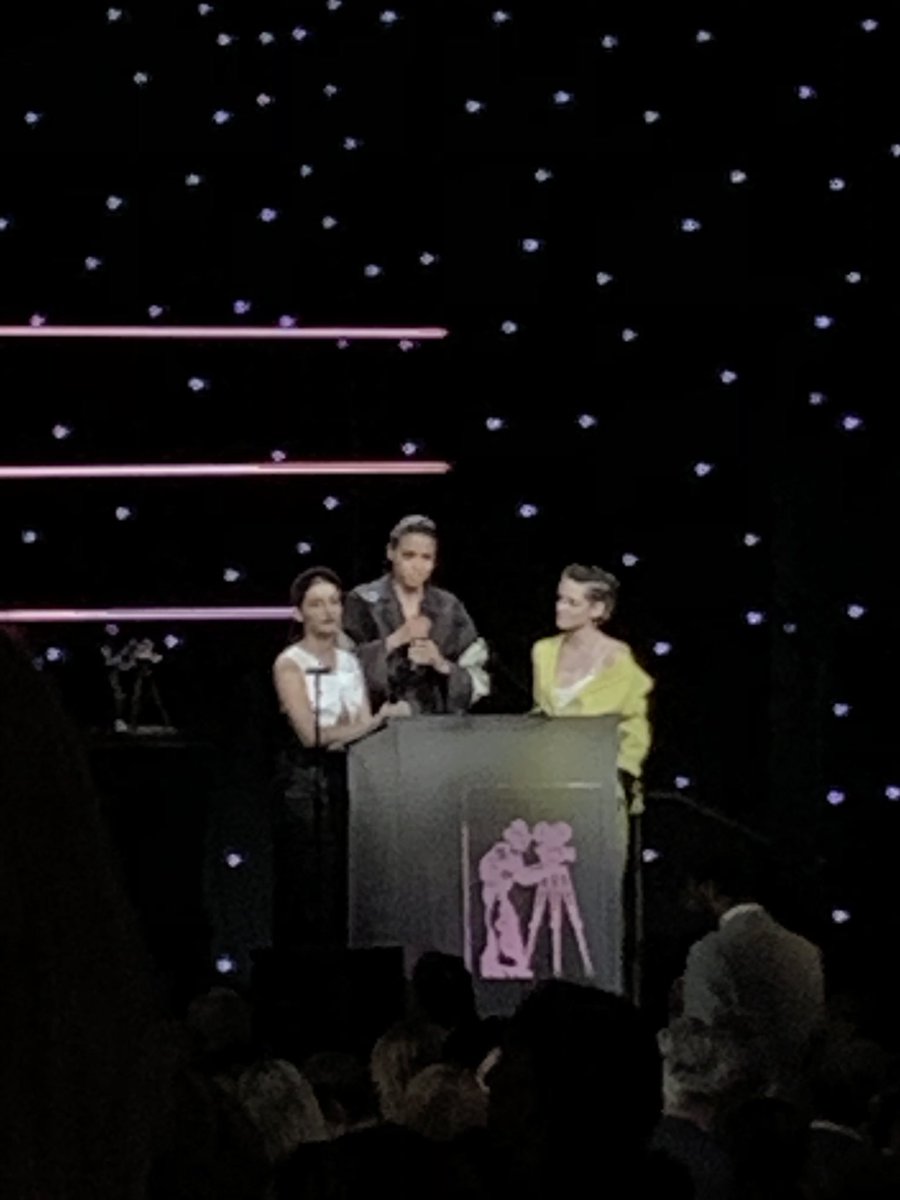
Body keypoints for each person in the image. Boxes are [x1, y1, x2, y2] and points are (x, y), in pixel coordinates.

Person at [272, 567, 408, 950]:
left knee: (344, 881)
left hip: (347, 779)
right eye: (317, 604)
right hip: (303, 786)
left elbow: (358, 723)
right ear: (300, 613)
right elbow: (310, 733)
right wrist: (371, 723)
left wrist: (373, 724)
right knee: (308, 883)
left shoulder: (349, 661)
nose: (329, 611)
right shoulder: (290, 663)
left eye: (334, 602)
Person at [680, 850, 826, 1098]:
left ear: (710, 888)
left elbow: (703, 1039)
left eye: (692, 889)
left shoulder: (710, 950)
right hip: (796, 1101)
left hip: (738, 1106)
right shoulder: (806, 951)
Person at [530, 564, 654, 810]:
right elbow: (539, 713)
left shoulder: (619, 661)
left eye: (572, 603)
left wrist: (619, 776)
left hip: (600, 785)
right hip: (547, 780)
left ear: (596, 609)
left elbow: (633, 731)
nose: (560, 608)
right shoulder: (543, 651)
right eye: (560, 599)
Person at [343, 514, 490, 715]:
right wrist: (395, 640)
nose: (417, 565)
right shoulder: (363, 602)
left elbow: (479, 680)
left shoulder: (449, 607)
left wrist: (440, 663)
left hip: (435, 731)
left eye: (426, 557)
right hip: (374, 726)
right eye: (409, 555)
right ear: (391, 552)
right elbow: (339, 670)